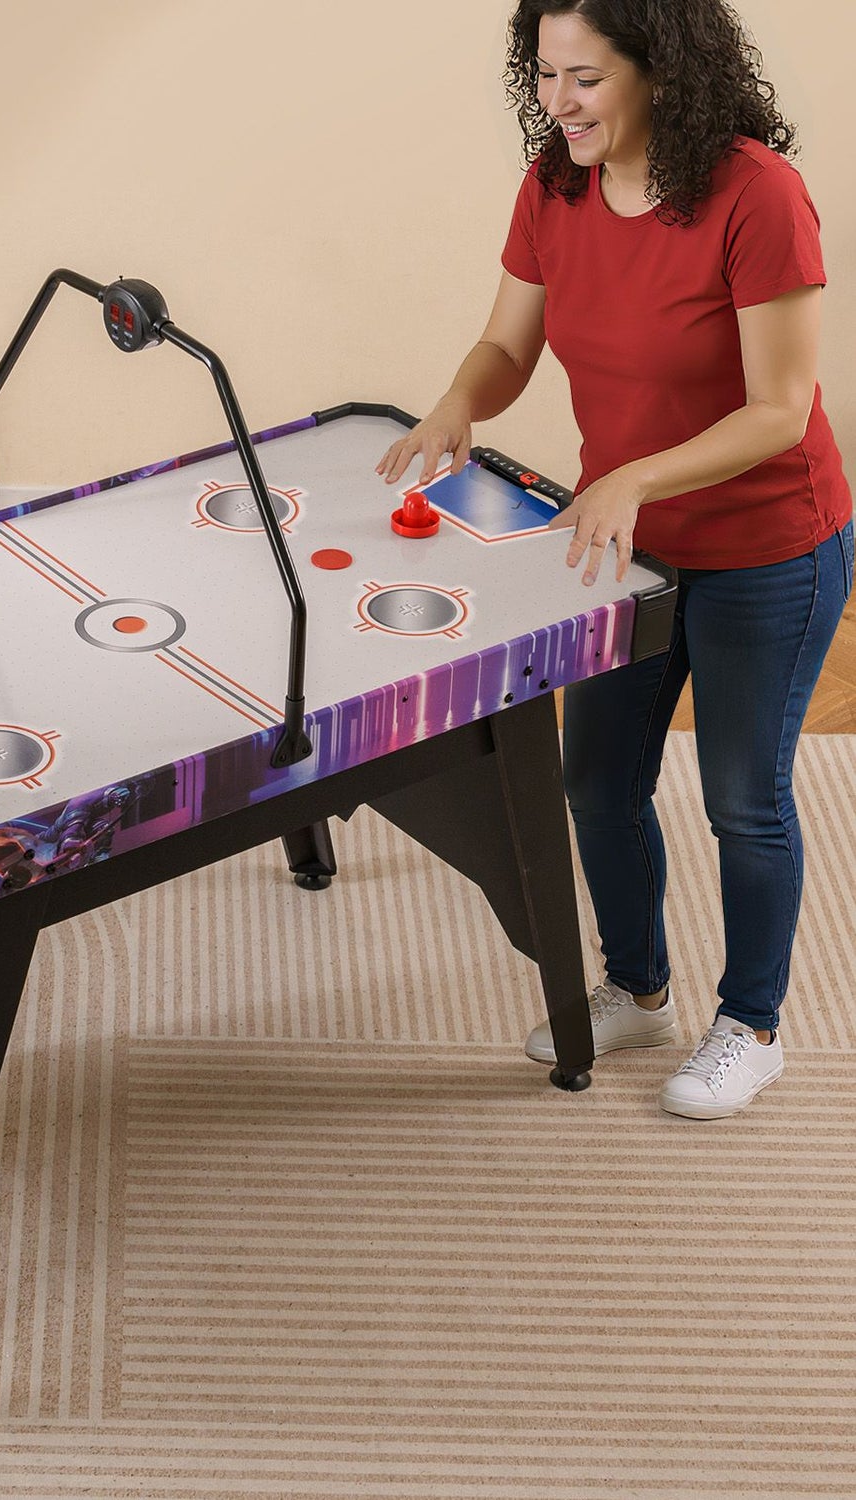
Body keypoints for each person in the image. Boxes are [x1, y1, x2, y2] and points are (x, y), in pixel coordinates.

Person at [377, 0, 851, 1119]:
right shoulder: (557, 183)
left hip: (766, 548)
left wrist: (633, 477)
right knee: (596, 784)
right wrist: (456, 406)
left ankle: (753, 1024)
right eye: (543, 75)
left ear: (660, 69)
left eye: (584, 79)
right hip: (627, 549)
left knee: (745, 799)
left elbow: (781, 410)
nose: (557, 103)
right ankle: (637, 990)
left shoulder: (754, 194)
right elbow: (508, 343)